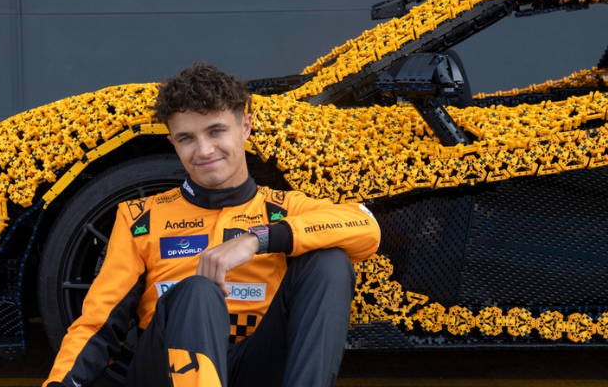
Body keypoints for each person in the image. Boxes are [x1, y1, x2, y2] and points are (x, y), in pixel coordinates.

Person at [43, 62, 381, 387]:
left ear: (245, 127)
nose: (204, 150)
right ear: (173, 143)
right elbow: (97, 324)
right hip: (165, 372)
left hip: (256, 364)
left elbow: (365, 226)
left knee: (329, 262)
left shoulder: (283, 207)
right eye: (187, 138)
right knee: (196, 290)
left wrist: (257, 239)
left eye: (216, 131)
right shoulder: (140, 217)